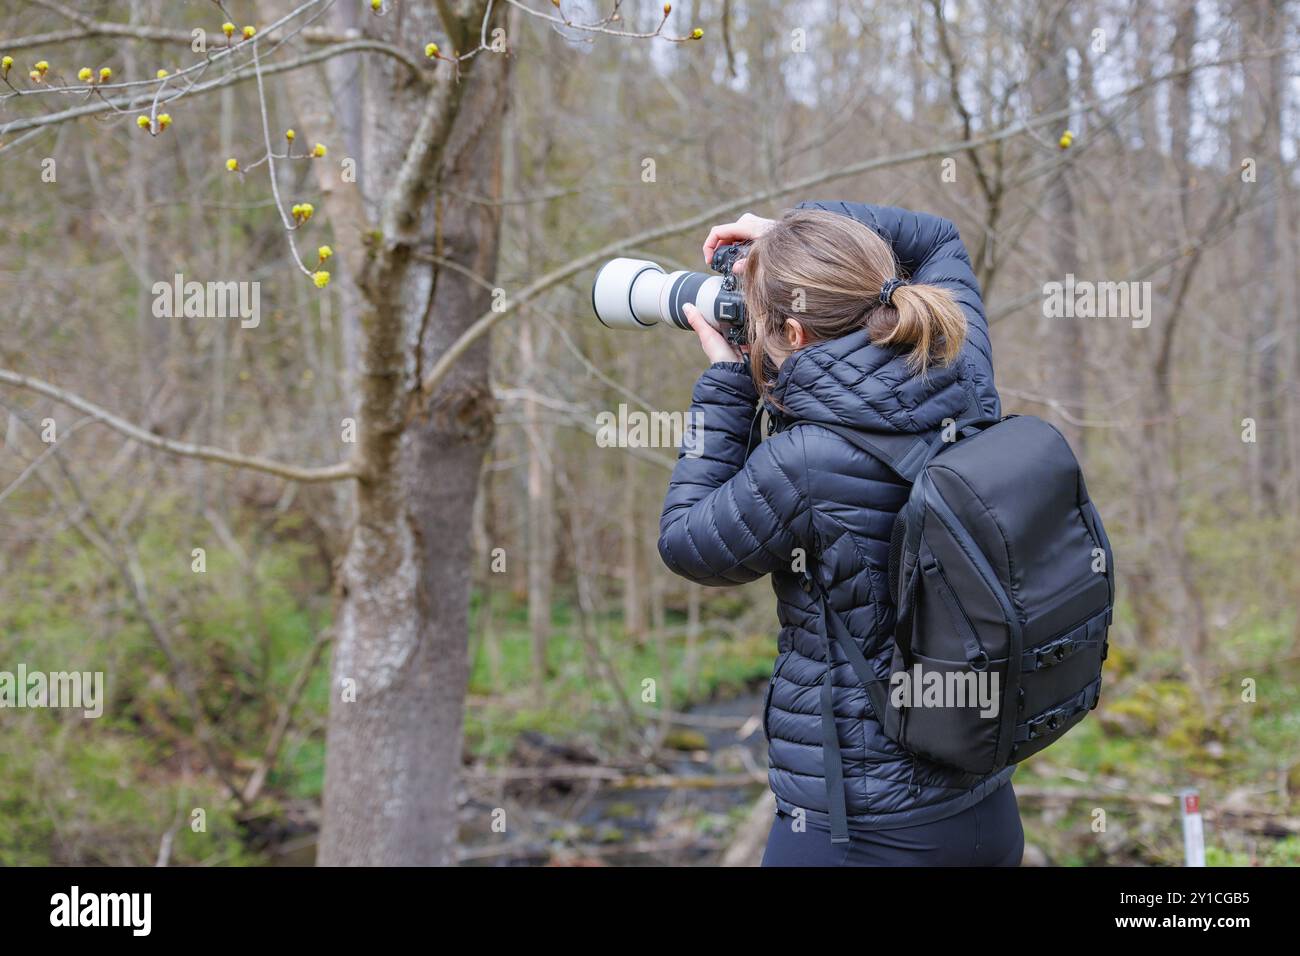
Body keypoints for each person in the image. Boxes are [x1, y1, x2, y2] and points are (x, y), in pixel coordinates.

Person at [657, 202, 1023, 866]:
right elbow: (937, 233)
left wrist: (728, 385)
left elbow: (685, 541)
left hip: (859, 830)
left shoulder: (807, 461)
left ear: (793, 334)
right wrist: (798, 230)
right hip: (983, 811)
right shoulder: (962, 364)